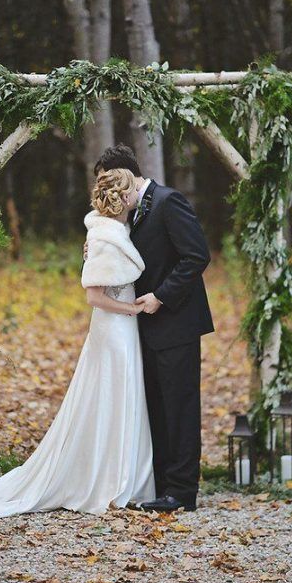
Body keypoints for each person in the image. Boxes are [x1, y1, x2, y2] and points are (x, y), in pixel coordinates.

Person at [0, 168, 156, 517]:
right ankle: (107, 477)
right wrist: (130, 309)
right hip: (114, 327)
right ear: (123, 199)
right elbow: (94, 296)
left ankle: (126, 472)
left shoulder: (117, 230)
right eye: (133, 190)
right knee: (110, 395)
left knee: (124, 395)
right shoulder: (106, 237)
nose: (139, 193)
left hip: (122, 327)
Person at [87, 144, 214, 512]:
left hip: (177, 322)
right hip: (143, 326)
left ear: (125, 174)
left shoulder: (168, 201)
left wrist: (162, 295)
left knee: (180, 407)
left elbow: (197, 255)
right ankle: (160, 483)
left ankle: (182, 491)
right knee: (156, 406)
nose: (106, 189)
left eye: (108, 179)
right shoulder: (127, 213)